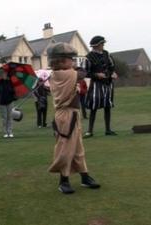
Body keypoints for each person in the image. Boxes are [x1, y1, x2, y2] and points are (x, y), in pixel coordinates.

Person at [47, 42, 100, 194]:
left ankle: (84, 176)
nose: (74, 62)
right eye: (71, 59)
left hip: (71, 114)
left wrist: (73, 67)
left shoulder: (58, 73)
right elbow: (83, 72)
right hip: (66, 116)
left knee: (77, 149)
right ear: (61, 61)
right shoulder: (67, 74)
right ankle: (63, 181)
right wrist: (77, 67)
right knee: (66, 149)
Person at [83, 36, 118, 138]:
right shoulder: (88, 57)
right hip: (96, 85)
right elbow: (85, 72)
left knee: (107, 106)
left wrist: (113, 73)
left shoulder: (107, 54)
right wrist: (97, 75)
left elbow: (112, 66)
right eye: (102, 44)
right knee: (94, 107)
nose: (103, 45)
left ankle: (108, 130)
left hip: (108, 83)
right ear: (97, 45)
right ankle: (90, 131)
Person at [0, 72, 16, 138]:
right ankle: (5, 132)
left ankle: (10, 131)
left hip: (10, 101)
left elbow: (13, 91)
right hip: (2, 102)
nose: (4, 76)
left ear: (6, 75)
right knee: (4, 118)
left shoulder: (9, 82)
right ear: (1, 75)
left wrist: (10, 90)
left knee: (10, 117)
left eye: (5, 74)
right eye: (2, 74)